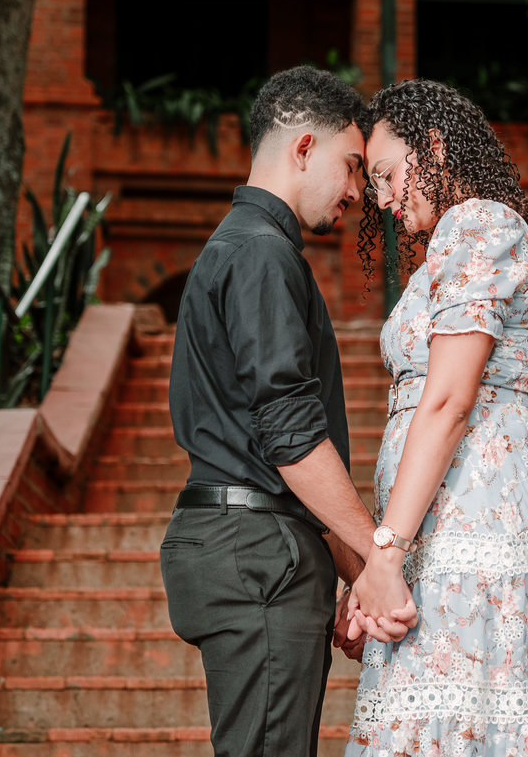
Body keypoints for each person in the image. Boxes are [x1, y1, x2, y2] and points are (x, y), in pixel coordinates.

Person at [343, 79, 528, 756]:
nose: (382, 198)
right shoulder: (452, 243)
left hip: (475, 524)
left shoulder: (477, 224)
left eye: (388, 175)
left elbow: (451, 398)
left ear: (432, 148)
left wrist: (384, 550)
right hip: (442, 524)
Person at [161, 65, 414, 757]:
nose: (358, 193)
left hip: (253, 542)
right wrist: (379, 555)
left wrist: (353, 571)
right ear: (303, 147)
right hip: (256, 555)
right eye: (352, 167)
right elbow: (291, 438)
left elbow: (277, 448)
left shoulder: (243, 249)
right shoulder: (262, 254)